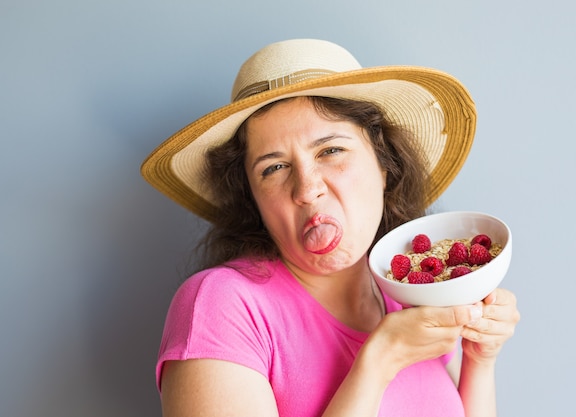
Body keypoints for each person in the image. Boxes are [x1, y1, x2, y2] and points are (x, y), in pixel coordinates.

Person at [141, 38, 520, 417]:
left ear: (383, 164)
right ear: (253, 199)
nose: (306, 190)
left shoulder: (411, 300)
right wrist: (379, 361)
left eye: (330, 151)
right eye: (273, 168)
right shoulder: (222, 305)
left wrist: (480, 359)